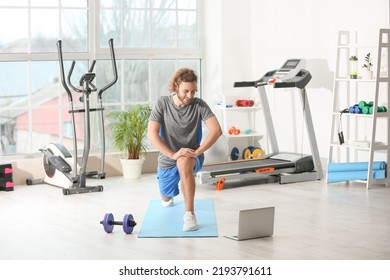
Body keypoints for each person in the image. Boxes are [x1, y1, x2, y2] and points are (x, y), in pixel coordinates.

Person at [147, 68, 222, 231]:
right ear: (176, 86)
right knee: (166, 198)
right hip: (168, 159)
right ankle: (169, 197)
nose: (190, 95)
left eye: (193, 91)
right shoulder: (162, 103)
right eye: (186, 91)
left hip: (191, 156)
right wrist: (173, 154)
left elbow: (216, 130)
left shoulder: (199, 105)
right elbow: (151, 134)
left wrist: (198, 152)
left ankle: (189, 215)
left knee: (184, 161)